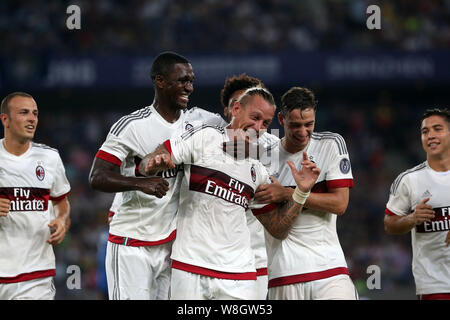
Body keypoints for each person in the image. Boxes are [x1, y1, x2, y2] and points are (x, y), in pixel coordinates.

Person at [139, 87, 320, 300]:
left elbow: (278, 229)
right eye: (255, 117)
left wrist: (301, 191)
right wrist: (154, 164)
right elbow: (146, 163)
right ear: (236, 109)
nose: (258, 127)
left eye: (266, 123)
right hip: (189, 268)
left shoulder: (258, 171)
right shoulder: (204, 137)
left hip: (239, 277)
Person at [88, 51, 226, 300]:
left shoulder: (200, 122)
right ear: (160, 81)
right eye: (182, 80)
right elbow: (97, 176)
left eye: (191, 81)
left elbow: (237, 131)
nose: (189, 87)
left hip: (172, 246)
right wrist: (140, 183)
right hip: (132, 242)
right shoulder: (131, 126)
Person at [254, 87, 357, 300]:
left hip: (330, 268)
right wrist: (299, 192)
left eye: (309, 124)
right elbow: (277, 229)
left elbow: (340, 204)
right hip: (284, 272)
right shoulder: (262, 159)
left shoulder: (330, 144)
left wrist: (287, 194)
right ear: (281, 119)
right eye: (295, 125)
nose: (303, 132)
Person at [0, 92, 71, 300]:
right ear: (5, 119)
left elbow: (61, 202)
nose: (32, 119)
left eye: (35, 114)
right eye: (24, 113)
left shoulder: (50, 157)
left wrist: (61, 220)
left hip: (35, 276)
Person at [220, 73, 279, 299]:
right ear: (231, 109)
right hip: (210, 257)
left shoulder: (275, 148)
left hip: (257, 258)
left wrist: (283, 193)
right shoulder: (207, 142)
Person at [384, 108, 450, 300]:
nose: (430, 136)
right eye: (425, 132)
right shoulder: (408, 180)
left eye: (437, 129)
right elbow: (389, 224)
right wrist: (413, 218)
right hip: (435, 285)